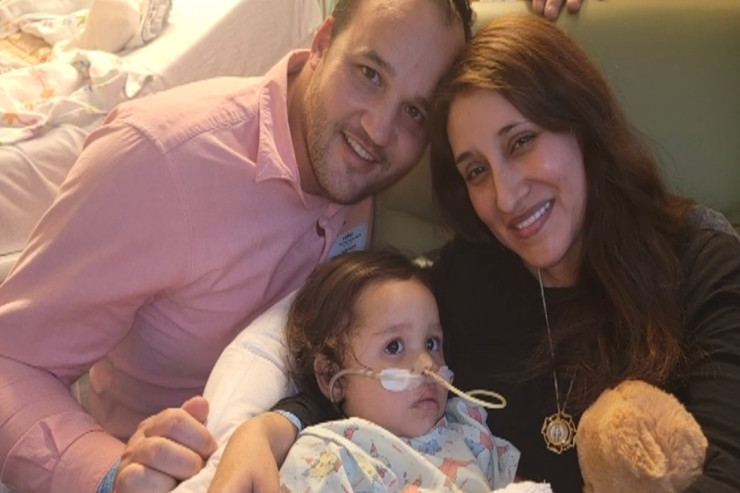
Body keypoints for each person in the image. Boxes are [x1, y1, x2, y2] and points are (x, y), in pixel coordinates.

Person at [0, 0, 472, 491]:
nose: (377, 130)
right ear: (322, 43)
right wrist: (109, 474)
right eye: (369, 74)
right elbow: (10, 359)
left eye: (414, 111)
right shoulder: (157, 161)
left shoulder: (367, 173)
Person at [427, 14, 740, 492]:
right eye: (476, 172)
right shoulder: (458, 284)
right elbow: (355, 357)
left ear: (582, 124)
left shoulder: (702, 268)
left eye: (521, 142)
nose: (506, 198)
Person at [208, 249, 524, 493]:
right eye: (394, 347)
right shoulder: (330, 455)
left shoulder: (468, 430)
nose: (427, 365)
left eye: (431, 343)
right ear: (331, 377)